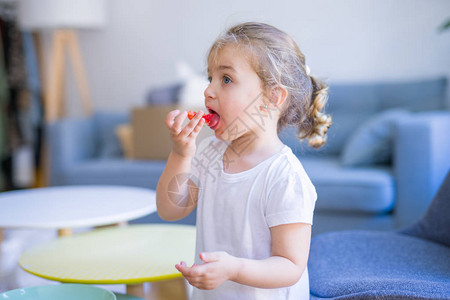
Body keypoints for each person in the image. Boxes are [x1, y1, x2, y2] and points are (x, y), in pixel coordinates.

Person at [156, 22, 332, 299]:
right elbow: (170, 209)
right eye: (209, 79)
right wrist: (181, 154)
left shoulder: (284, 177)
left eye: (226, 79)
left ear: (272, 97)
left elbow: (290, 266)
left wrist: (234, 269)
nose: (208, 91)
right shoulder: (210, 153)